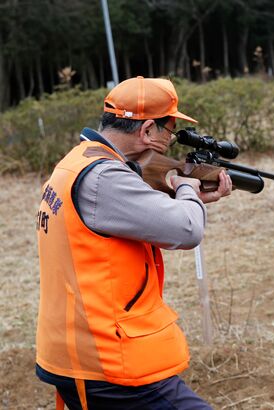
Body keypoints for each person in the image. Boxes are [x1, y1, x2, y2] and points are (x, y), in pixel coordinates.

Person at [35, 76, 231, 409]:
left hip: (80, 351)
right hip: (108, 364)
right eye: (168, 132)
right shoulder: (104, 178)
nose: (169, 141)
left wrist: (181, 194)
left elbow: (125, 216)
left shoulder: (79, 161)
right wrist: (187, 189)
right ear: (147, 130)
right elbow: (186, 230)